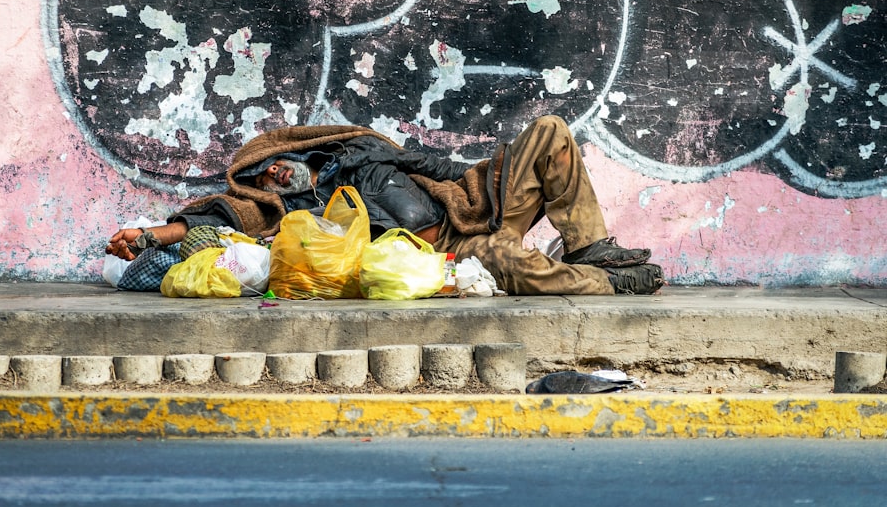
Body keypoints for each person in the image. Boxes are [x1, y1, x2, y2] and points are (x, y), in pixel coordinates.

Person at [106, 115, 664, 295]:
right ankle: (609, 282)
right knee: (510, 260)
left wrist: (491, 182)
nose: (271, 173)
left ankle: (592, 248)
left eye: (272, 163)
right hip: (446, 251)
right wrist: (154, 234)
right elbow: (220, 217)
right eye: (262, 178)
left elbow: (440, 169)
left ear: (297, 150)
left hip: (468, 206)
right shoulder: (293, 214)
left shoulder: (363, 149)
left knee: (549, 130)